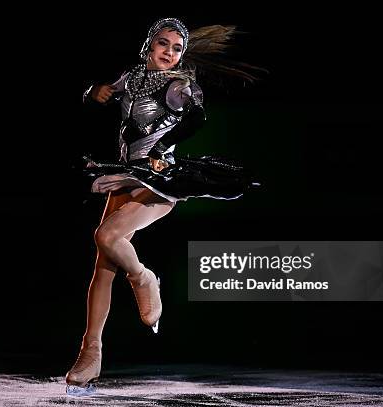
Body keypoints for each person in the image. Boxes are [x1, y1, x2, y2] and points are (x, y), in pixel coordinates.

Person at [66, 17, 261, 395]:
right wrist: (95, 91)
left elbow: (196, 117)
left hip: (158, 181)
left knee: (106, 236)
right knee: (102, 267)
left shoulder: (179, 85)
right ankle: (91, 352)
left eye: (176, 48)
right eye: (163, 44)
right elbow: (98, 95)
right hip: (125, 175)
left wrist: (158, 149)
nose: (169, 53)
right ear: (148, 45)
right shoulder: (134, 76)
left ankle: (143, 278)